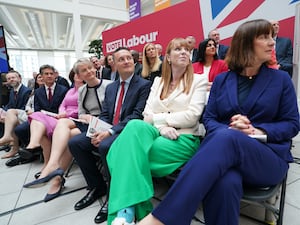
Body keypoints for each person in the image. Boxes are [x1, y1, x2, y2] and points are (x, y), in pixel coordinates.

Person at [138, 19, 300, 225]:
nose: (272, 43)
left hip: (267, 157)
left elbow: (292, 124)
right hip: (225, 156)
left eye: (271, 37)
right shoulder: (223, 80)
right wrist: (232, 129)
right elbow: (209, 119)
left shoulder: (281, 80)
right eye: (264, 37)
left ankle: (160, 220)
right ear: (246, 43)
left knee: (227, 138)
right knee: (225, 182)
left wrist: (254, 130)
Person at [106, 38, 207, 225]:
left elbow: (192, 116)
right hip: (157, 133)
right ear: (167, 57)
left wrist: (160, 120)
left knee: (121, 155)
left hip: (183, 137)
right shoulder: (158, 81)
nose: (184, 52)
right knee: (135, 126)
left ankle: (128, 212)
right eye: (178, 49)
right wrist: (162, 127)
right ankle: (135, 211)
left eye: (187, 49)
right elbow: (146, 115)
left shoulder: (198, 80)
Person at [68, 47, 151, 224]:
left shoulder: (144, 85)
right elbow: (105, 112)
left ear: (134, 61)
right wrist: (98, 130)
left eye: (129, 58)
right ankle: (97, 187)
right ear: (114, 63)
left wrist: (109, 132)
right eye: (121, 59)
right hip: (108, 128)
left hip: (127, 131)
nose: (127, 61)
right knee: (76, 142)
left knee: (106, 146)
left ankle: (115, 195)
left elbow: (137, 115)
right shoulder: (112, 87)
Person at [23, 58, 112, 203]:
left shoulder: (109, 86)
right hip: (88, 123)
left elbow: (112, 111)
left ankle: (55, 173)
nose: (89, 71)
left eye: (90, 68)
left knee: (71, 135)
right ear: (78, 76)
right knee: (67, 129)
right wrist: (87, 117)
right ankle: (55, 174)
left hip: (103, 124)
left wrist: (91, 118)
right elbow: (81, 112)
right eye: (84, 70)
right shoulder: (82, 90)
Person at [6, 65, 68, 167]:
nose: (49, 76)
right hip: (42, 117)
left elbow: (63, 108)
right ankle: (36, 151)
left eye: (51, 74)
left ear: (55, 75)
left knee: (40, 127)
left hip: (57, 117)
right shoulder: (38, 92)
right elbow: (37, 109)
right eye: (46, 74)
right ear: (41, 76)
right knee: (20, 129)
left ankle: (37, 151)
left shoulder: (63, 90)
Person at [18, 70, 84, 168]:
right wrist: (61, 112)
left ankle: (37, 151)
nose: (78, 76)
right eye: (76, 74)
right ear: (73, 76)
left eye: (80, 74)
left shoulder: (80, 89)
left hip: (71, 119)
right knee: (37, 117)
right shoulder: (71, 91)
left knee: (39, 121)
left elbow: (81, 108)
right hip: (59, 116)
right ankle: (45, 161)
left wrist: (65, 114)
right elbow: (63, 105)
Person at [0, 73, 44, 159]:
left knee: (11, 117)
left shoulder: (26, 91)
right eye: (9, 78)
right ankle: (12, 145)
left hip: (27, 114)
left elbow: (24, 107)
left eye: (13, 77)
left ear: (19, 78)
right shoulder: (13, 92)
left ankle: (12, 143)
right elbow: (10, 105)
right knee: (8, 115)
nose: (11, 80)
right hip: (22, 113)